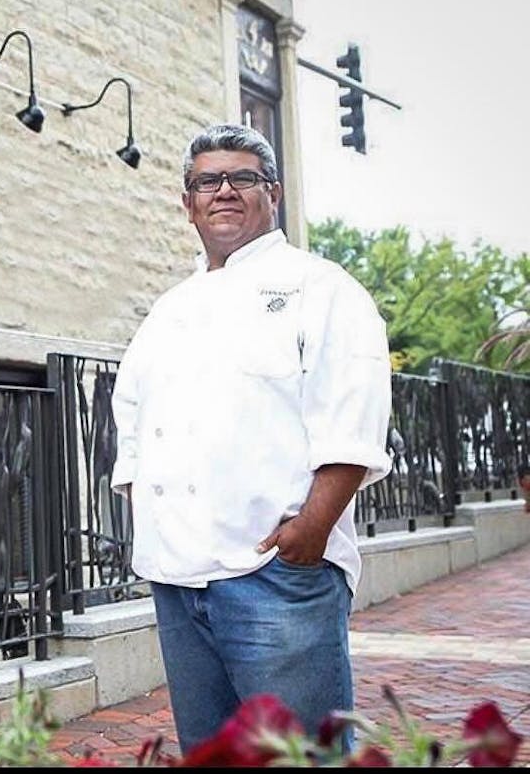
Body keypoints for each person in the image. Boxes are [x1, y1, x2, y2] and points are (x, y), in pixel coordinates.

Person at [110, 123, 392, 753]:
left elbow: (353, 415)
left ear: (274, 193)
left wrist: (311, 531)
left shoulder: (321, 289)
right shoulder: (168, 309)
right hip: (178, 580)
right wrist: (150, 518)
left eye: (243, 178)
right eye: (207, 181)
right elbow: (130, 416)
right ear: (189, 204)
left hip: (274, 577)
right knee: (214, 757)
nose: (225, 191)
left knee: (304, 756)